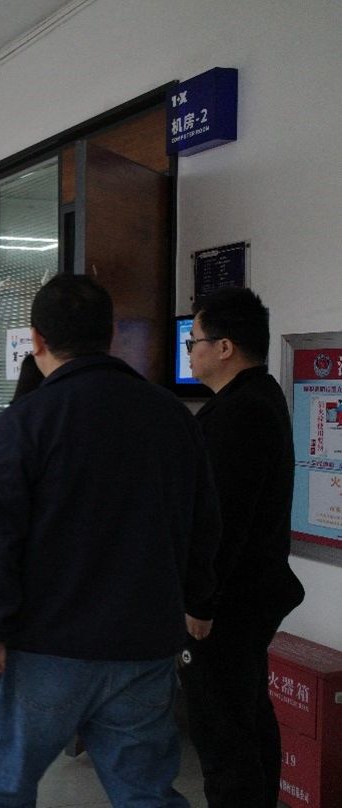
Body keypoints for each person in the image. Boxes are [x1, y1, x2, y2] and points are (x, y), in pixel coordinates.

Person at [0, 275, 221, 807]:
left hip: (45, 647)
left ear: (37, 339)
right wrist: (199, 600)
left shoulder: (26, 421)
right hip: (144, 644)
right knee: (146, 793)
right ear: (111, 334)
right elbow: (203, 521)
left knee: (0, 789)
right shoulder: (172, 416)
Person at [181, 287, 305, 808]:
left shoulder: (240, 414)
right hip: (249, 594)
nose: (191, 352)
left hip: (229, 604)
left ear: (225, 347)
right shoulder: (256, 397)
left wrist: (200, 602)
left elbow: (224, 521)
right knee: (247, 716)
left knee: (224, 736)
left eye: (195, 340)